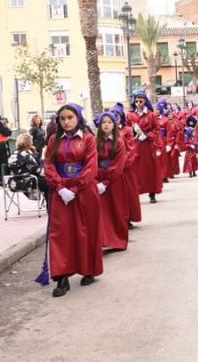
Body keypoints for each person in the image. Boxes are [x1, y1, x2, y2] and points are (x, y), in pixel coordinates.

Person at [43, 103, 102, 297]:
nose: (66, 122)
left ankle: (89, 269)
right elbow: (49, 165)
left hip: (84, 192)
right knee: (61, 233)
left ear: (78, 118)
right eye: (62, 118)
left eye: (70, 117)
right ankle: (62, 277)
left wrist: (76, 187)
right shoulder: (53, 140)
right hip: (60, 193)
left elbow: (91, 166)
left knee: (86, 231)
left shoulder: (88, 139)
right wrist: (60, 188)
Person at [94, 112, 128, 250]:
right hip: (98, 179)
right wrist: (95, 179)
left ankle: (118, 241)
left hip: (114, 181)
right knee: (102, 213)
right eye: (104, 122)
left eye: (109, 122)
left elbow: (118, 164)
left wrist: (106, 182)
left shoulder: (119, 142)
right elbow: (91, 161)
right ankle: (104, 240)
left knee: (117, 211)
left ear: (114, 124)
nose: (106, 125)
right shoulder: (95, 142)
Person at [127, 92, 163, 204]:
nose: (138, 103)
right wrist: (133, 133)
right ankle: (135, 194)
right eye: (136, 100)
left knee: (150, 171)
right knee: (135, 171)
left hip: (148, 146)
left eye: (141, 100)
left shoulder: (151, 115)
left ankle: (152, 194)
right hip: (135, 146)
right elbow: (126, 129)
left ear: (145, 101)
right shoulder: (130, 115)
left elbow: (157, 129)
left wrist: (148, 135)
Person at [110, 103, 141, 227]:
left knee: (127, 194)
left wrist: (123, 163)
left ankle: (127, 218)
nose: (115, 117)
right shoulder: (107, 131)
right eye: (113, 115)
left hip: (125, 169)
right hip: (111, 169)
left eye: (117, 115)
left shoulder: (126, 130)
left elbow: (131, 149)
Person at [8, 133, 48, 204]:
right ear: (29, 143)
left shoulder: (13, 154)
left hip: (14, 181)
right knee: (48, 182)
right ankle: (50, 203)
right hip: (28, 181)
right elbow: (37, 170)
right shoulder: (26, 156)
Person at [0, 116, 12, 181]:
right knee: (4, 163)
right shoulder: (1, 125)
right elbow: (7, 132)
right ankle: (3, 179)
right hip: (1, 147)